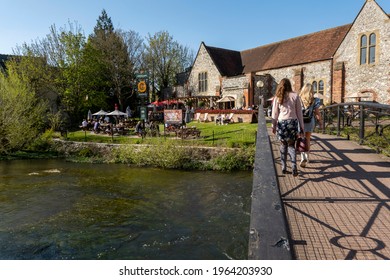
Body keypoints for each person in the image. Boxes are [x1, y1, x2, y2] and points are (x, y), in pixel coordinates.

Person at [271, 78, 304, 176]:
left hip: (282, 124)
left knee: (283, 145)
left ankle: (283, 167)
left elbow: (274, 113)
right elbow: (299, 113)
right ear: (290, 85)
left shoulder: (278, 97)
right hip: (292, 123)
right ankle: (294, 166)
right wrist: (302, 127)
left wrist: (273, 126)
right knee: (291, 145)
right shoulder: (295, 96)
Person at [298, 83, 323, 167]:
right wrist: (320, 121)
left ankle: (302, 157)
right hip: (310, 121)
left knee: (301, 138)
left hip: (301, 121)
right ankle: (307, 157)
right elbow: (317, 112)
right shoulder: (315, 100)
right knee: (308, 139)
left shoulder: (299, 99)